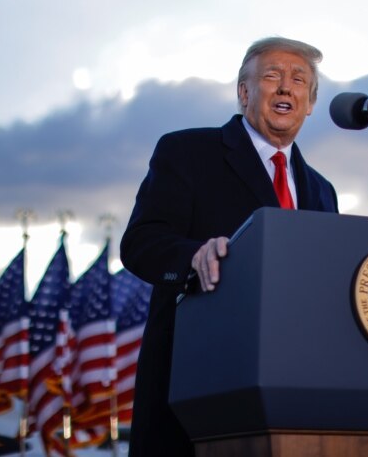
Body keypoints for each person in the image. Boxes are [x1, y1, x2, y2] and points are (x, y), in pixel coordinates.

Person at [120, 36, 339, 457]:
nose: (284, 88)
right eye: (272, 76)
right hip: (197, 386)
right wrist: (194, 257)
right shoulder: (188, 151)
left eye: (298, 80)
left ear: (309, 103)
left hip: (294, 392)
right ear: (244, 92)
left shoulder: (322, 190)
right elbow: (141, 243)